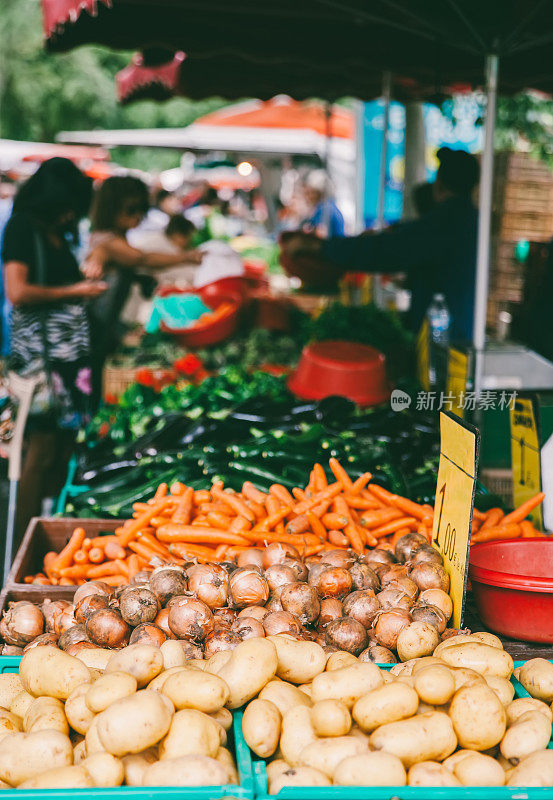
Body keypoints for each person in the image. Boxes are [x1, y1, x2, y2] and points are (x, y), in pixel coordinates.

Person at [1, 157, 106, 541]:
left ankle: (47, 526)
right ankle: (20, 542)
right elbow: (18, 291)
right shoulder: (22, 229)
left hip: (67, 358)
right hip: (40, 361)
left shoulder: (54, 231)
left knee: (62, 444)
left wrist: (90, 267)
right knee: (40, 448)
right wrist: (76, 290)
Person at [281, 148, 480, 340]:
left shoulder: (445, 222)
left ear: (439, 184)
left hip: (446, 335)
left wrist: (319, 247)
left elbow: (386, 250)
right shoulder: (466, 220)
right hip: (457, 328)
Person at [85, 176, 203, 395]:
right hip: (98, 329)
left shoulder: (113, 238)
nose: (138, 215)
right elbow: (142, 259)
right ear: (112, 208)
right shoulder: (107, 242)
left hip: (108, 327)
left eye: (142, 208)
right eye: (131, 209)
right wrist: (187, 257)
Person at [302, 169, 345, 238]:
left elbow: (323, 234)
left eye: (311, 193)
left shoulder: (326, 210)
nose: (308, 197)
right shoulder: (325, 208)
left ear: (320, 193)